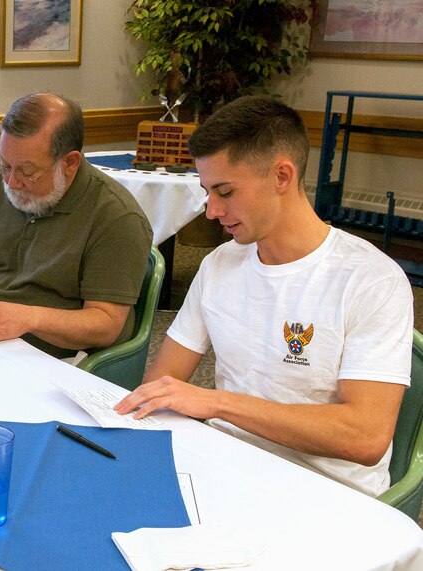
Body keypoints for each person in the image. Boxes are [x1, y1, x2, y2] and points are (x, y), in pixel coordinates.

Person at [114, 95, 414, 497]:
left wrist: (218, 404)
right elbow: (164, 381)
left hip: (328, 495)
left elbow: (365, 437)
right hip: (222, 467)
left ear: (282, 177)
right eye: (207, 192)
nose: (211, 211)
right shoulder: (221, 263)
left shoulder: (371, 279)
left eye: (225, 191)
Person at [0, 92, 152, 359]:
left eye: (27, 172)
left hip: (59, 360)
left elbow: (106, 324)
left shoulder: (115, 216)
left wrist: (29, 318)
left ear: (69, 163)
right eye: (4, 165)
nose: (12, 182)